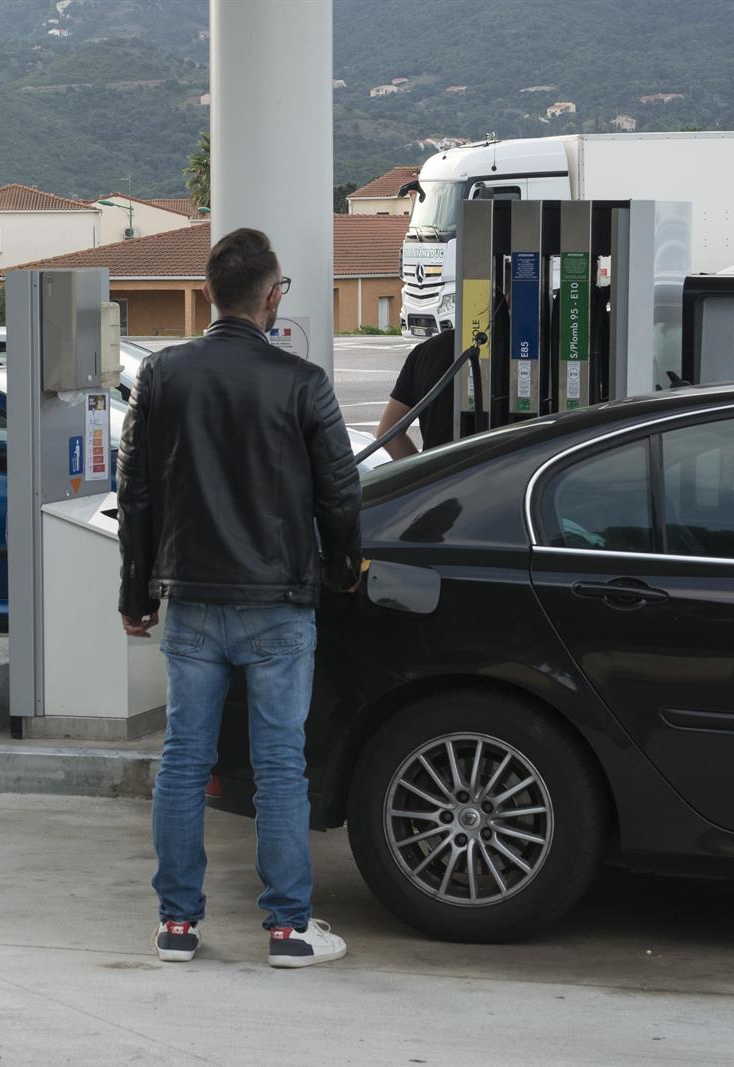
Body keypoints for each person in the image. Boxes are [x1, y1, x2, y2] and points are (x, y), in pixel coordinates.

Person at [117, 228, 361, 969]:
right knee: (281, 763)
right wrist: (345, 567)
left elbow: (136, 492)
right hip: (280, 600)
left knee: (184, 758)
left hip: (190, 597)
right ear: (272, 295)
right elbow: (340, 491)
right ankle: (288, 930)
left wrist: (136, 589)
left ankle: (177, 926)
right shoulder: (302, 381)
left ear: (208, 295)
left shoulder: (162, 374)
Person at [374, 326, 457, 458]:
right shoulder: (496, 351)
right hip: (493, 473)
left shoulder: (427, 351)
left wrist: (425, 473)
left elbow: (388, 434)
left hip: (440, 473)